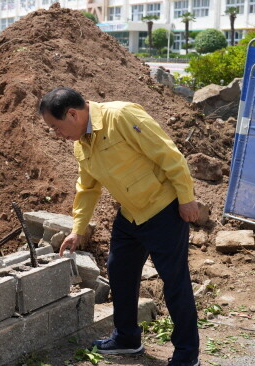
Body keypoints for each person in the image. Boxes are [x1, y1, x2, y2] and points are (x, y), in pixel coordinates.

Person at [38, 87, 201, 366]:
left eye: (55, 127)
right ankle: (127, 338)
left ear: (73, 114)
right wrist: (78, 229)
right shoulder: (82, 144)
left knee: (175, 283)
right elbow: (87, 189)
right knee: (120, 271)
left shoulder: (121, 116)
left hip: (163, 211)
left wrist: (187, 198)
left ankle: (187, 355)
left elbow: (169, 155)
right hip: (130, 215)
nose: (56, 134)